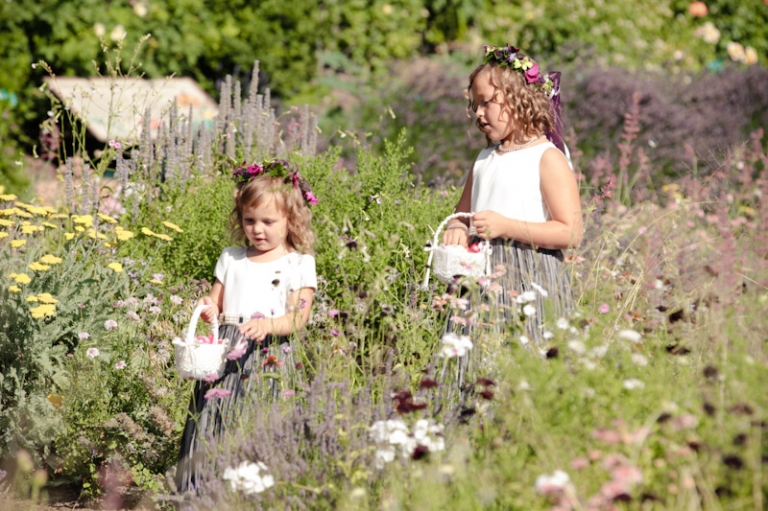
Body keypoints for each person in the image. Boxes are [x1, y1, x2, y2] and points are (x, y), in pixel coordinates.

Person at [438, 45, 582, 397]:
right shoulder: (485, 159)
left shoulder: (546, 157)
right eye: (474, 104)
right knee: (475, 369)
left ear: (518, 98)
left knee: (527, 365)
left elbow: (571, 232)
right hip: (480, 278)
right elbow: (462, 214)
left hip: (531, 276)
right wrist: (457, 229)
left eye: (487, 102)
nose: (479, 113)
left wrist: (507, 227)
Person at [175, 160, 318, 494]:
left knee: (257, 419)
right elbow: (216, 303)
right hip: (224, 352)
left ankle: (256, 491)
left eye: (269, 221)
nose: (258, 229)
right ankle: (205, 491)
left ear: (290, 220)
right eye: (249, 220)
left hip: (268, 354)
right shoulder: (231, 258)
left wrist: (268, 324)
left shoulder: (298, 264)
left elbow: (298, 316)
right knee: (212, 418)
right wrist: (208, 308)